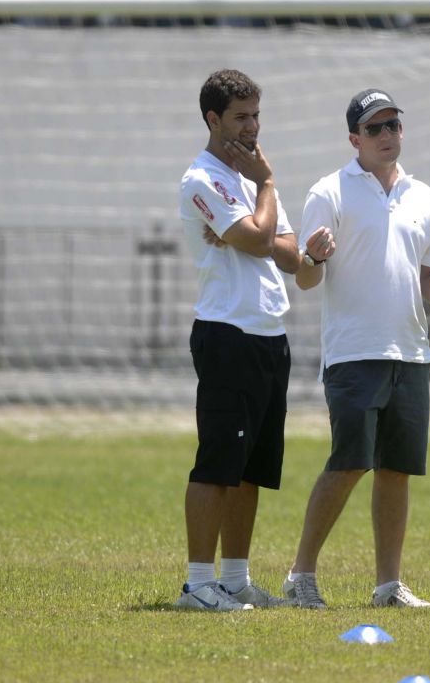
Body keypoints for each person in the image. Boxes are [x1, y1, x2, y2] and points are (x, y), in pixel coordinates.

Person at [282, 88, 430, 609]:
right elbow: (304, 281)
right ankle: (300, 576)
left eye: (393, 125)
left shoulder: (422, 195)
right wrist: (312, 259)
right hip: (354, 352)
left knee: (396, 469)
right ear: (353, 139)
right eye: (375, 128)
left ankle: (389, 586)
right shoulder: (329, 191)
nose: (387, 136)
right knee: (348, 463)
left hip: (410, 351)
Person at [176, 69, 303, 611]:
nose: (252, 127)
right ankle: (197, 584)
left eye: (256, 115)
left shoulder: (251, 180)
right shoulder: (202, 178)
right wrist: (266, 195)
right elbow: (257, 241)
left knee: (251, 467)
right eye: (240, 117)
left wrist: (258, 224)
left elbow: (294, 257)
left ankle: (234, 579)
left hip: (269, 334)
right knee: (217, 463)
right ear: (213, 119)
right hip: (226, 333)